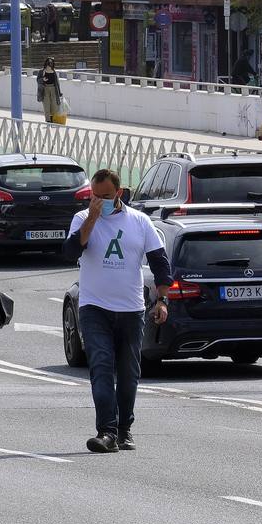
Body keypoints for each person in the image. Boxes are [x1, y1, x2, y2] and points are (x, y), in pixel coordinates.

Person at [63, 169, 171, 454]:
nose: (99, 202)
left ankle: (125, 430)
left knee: (128, 373)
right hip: (94, 307)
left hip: (131, 310)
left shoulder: (140, 221)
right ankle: (106, 431)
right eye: (94, 197)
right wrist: (92, 219)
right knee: (100, 369)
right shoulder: (82, 219)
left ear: (119, 194)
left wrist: (162, 300)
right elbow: (70, 251)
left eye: (105, 197)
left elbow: (160, 262)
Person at [38, 57, 65, 123]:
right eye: (48, 62)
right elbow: (38, 80)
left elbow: (57, 83)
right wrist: (42, 80)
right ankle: (48, 120)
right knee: (46, 105)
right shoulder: (42, 71)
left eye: (51, 62)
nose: (49, 64)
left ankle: (53, 119)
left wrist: (59, 92)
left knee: (54, 106)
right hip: (45, 89)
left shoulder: (54, 71)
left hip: (53, 89)